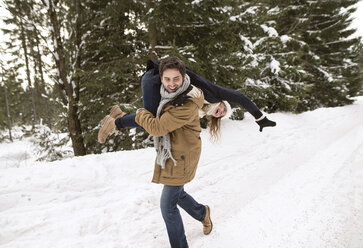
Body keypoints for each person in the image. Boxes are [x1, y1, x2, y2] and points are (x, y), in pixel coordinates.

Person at [97, 60, 276, 144]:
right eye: (223, 109)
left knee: (155, 124)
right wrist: (260, 118)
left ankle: (118, 118)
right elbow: (241, 98)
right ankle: (115, 122)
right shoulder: (214, 93)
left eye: (221, 115)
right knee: (152, 124)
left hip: (159, 83)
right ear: (222, 102)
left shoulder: (198, 110)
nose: (221, 112)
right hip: (154, 80)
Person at [137, 56, 212, 247]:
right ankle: (202, 213)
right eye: (167, 79)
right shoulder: (167, 95)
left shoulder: (187, 103)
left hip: (183, 156)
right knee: (177, 194)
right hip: (173, 152)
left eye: (176, 79)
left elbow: (156, 127)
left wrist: (140, 114)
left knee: (167, 206)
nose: (172, 84)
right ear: (161, 78)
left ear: (184, 77)